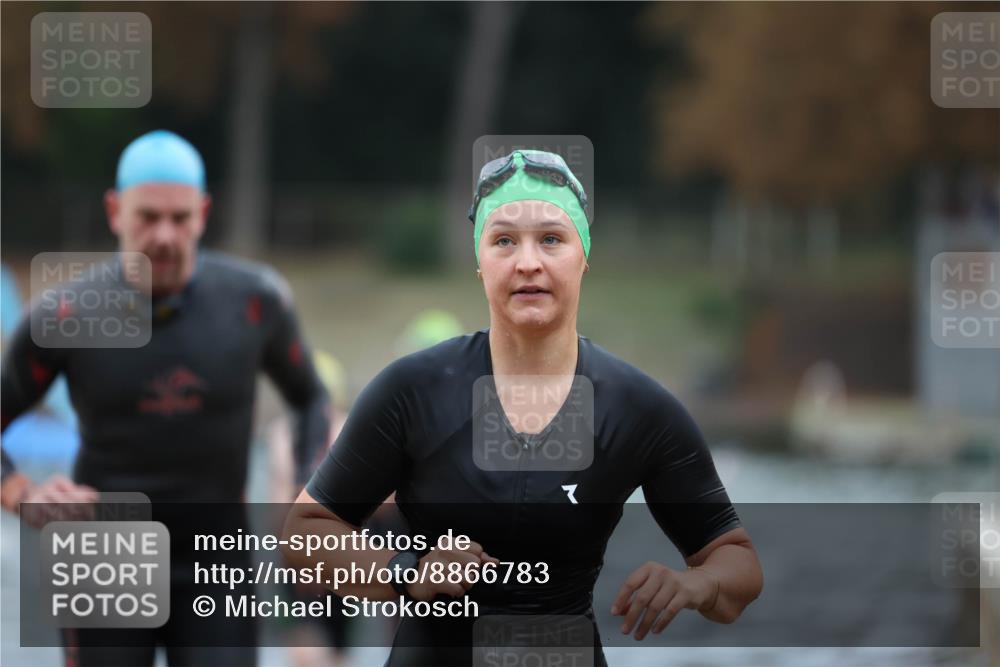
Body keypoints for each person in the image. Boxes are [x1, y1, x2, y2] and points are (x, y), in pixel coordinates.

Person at [283, 149, 763, 665]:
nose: (528, 262)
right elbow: (302, 535)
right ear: (480, 262)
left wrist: (697, 585)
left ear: (584, 254)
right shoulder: (413, 389)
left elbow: (736, 562)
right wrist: (408, 572)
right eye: (504, 240)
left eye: (551, 239)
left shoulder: (638, 407)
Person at [0, 130, 331, 667]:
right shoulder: (66, 316)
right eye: (147, 217)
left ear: (203, 212)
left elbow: (311, 397)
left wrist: (308, 491)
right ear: (114, 210)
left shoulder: (253, 301)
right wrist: (20, 491)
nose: (165, 236)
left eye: (180, 219)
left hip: (215, 558)